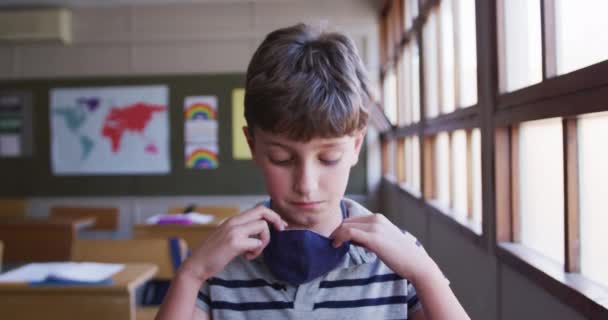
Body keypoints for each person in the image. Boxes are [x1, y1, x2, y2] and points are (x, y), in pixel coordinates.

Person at [156, 23, 470, 320]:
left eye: (329, 158)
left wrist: (425, 273)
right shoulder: (220, 262)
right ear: (253, 146)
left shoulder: (399, 256)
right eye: (281, 158)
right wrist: (190, 274)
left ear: (356, 146)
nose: (306, 185)